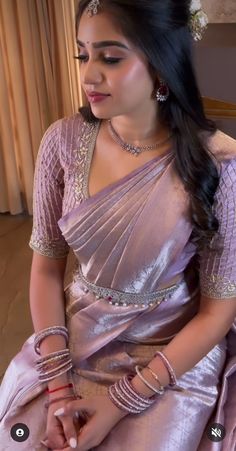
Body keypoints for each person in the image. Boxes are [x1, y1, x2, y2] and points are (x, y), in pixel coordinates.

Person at [0, 0, 236, 450]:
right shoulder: (63, 141)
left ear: (162, 61)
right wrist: (58, 388)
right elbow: (47, 269)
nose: (88, 75)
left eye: (110, 57)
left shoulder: (219, 163)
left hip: (171, 356)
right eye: (82, 55)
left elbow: (217, 311)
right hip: (74, 342)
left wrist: (122, 400)